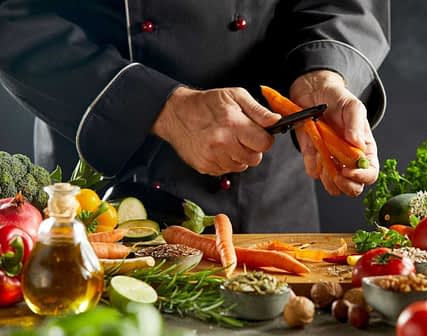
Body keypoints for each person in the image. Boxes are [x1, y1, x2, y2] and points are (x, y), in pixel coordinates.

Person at [0, 1, 390, 233]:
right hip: (96, 183)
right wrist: (161, 108)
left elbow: (344, 4)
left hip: (264, 197)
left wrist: (324, 74)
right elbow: (12, 16)